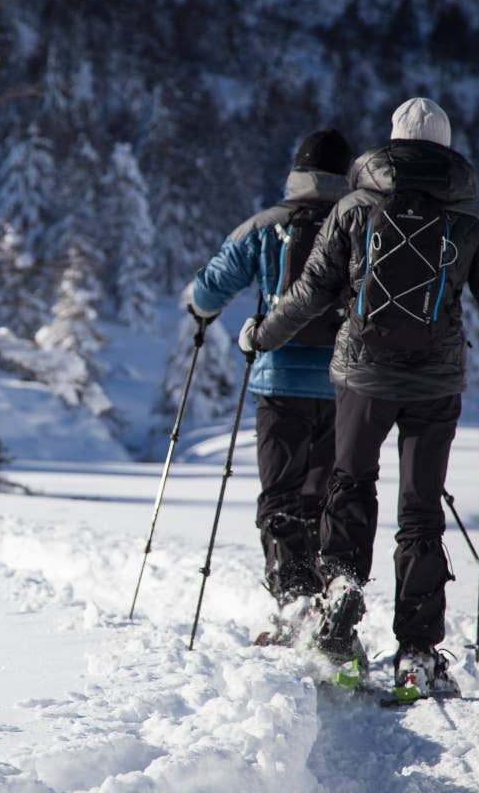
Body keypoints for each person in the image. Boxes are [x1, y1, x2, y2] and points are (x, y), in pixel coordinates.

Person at [238, 97, 479, 694]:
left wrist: (262, 335)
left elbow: (311, 291)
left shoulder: (354, 208)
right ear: (445, 148)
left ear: (390, 145)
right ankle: (416, 652)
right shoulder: (472, 218)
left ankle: (339, 599)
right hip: (435, 383)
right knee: (419, 513)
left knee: (349, 482)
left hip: (361, 377)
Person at [187, 128, 354, 612]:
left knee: (281, 495)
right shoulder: (361, 224)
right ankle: (332, 600)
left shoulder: (266, 225)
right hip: (346, 384)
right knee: (327, 498)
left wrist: (202, 312)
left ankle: (295, 601)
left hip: (279, 382)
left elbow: (208, 290)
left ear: (297, 173)